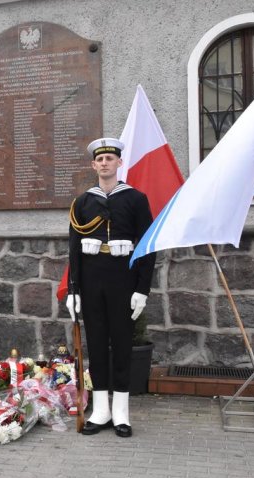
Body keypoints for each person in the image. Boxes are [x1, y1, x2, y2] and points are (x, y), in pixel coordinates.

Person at [66, 138, 155, 438]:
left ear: (119, 163)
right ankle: (101, 409)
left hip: (122, 279)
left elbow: (146, 247)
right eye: (99, 159)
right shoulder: (82, 202)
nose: (104, 163)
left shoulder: (135, 199)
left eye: (110, 158)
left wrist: (142, 289)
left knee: (121, 345)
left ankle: (121, 412)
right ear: (93, 165)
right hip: (92, 280)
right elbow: (74, 250)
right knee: (96, 344)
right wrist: (72, 290)